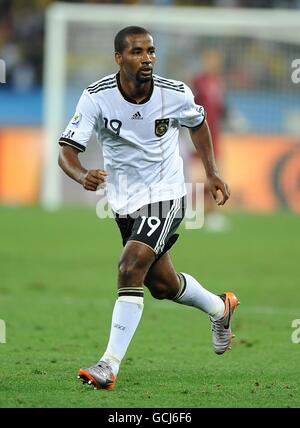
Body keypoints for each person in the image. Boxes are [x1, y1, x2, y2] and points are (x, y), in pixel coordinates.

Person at [58, 26, 239, 391]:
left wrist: (213, 173)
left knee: (130, 265)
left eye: (151, 51)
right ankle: (222, 308)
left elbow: (199, 124)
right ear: (119, 58)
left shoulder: (174, 94)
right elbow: (66, 152)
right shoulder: (96, 98)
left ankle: (108, 365)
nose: (147, 59)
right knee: (161, 284)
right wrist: (81, 175)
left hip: (167, 192)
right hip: (123, 199)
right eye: (138, 52)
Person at [191, 49, 229, 231]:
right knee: (198, 177)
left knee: (216, 174)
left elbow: (222, 109)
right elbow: (189, 104)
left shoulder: (220, 82)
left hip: (216, 137)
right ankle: (196, 213)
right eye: (208, 59)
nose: (212, 63)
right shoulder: (197, 81)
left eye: (215, 60)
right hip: (199, 135)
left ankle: (213, 215)